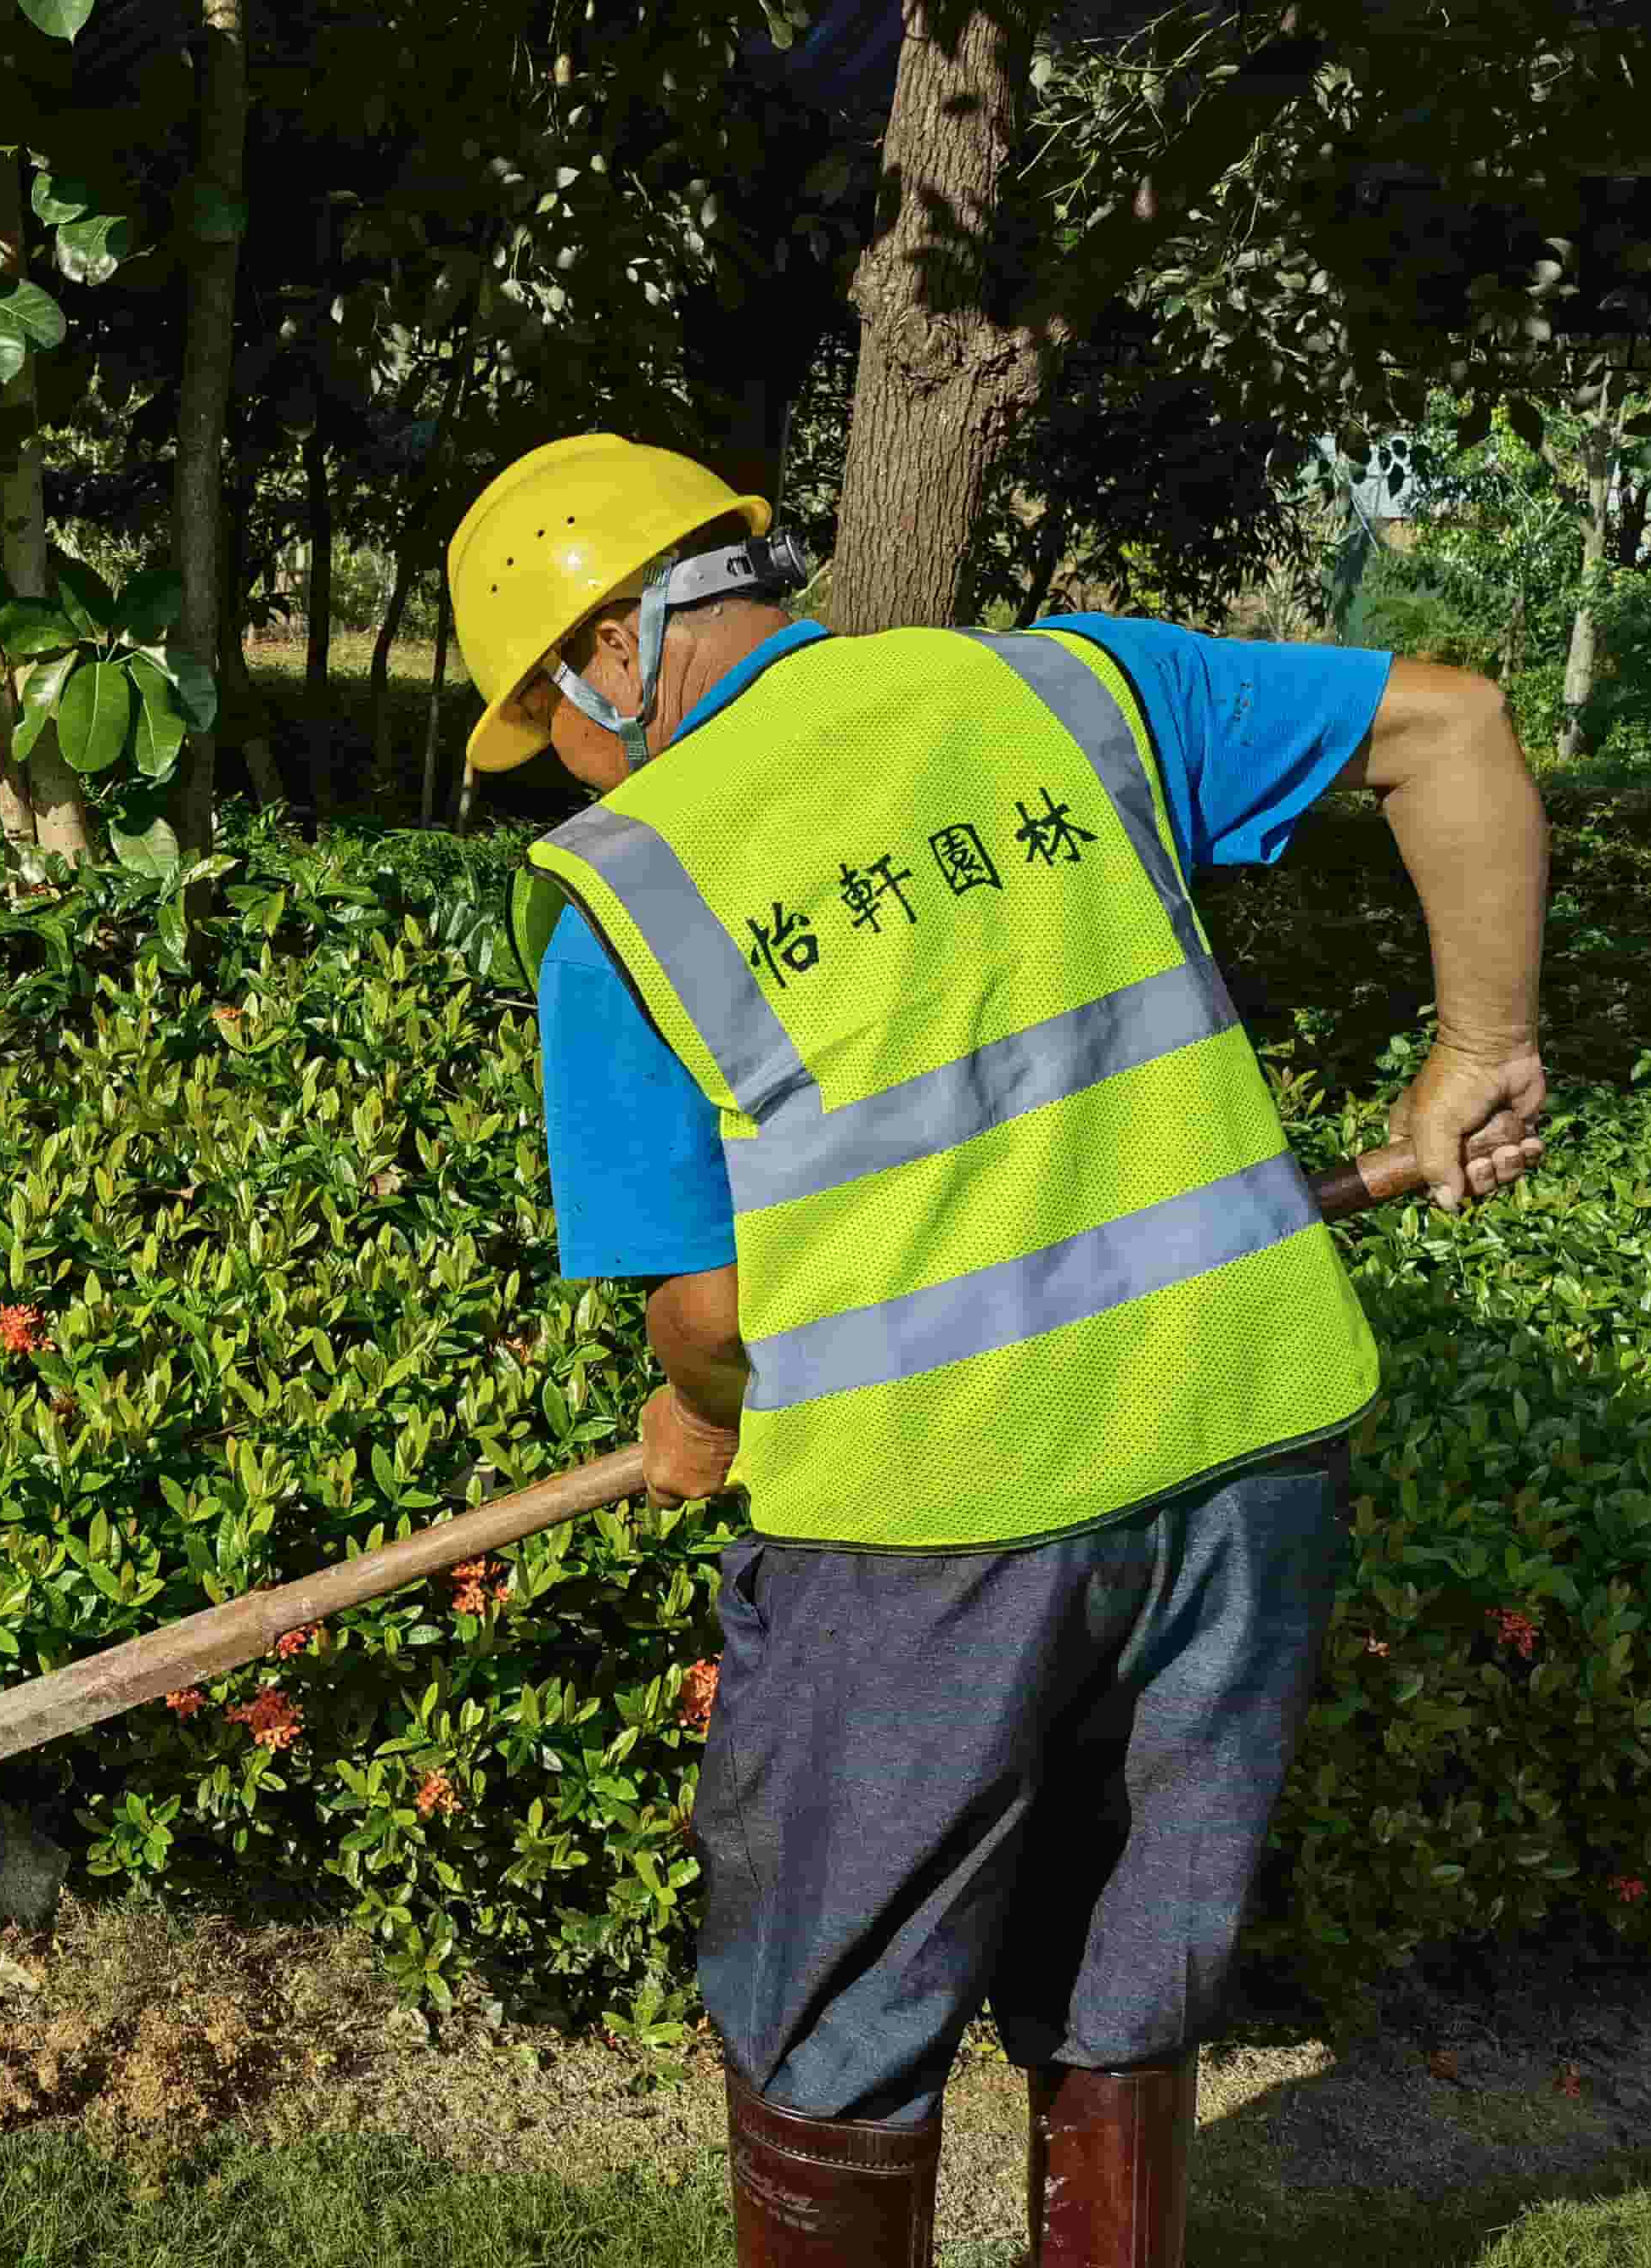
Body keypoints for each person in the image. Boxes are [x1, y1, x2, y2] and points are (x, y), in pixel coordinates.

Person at [447, 435, 1550, 2268]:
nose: (551, 765)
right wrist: (1472, 1050)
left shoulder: (626, 892)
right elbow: (1449, 728)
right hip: (1237, 1448)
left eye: (536, 721)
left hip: (921, 1523)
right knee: (1125, 1968)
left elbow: (711, 1323)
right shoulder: (1064, 691)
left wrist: (695, 1410)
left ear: (609, 657)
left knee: (830, 2002)